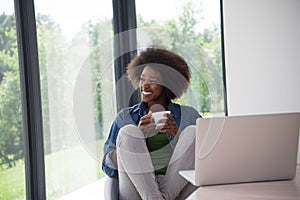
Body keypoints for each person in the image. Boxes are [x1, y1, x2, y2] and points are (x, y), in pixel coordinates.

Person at [102, 46, 201, 200]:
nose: (145, 85)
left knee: (193, 132)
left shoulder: (189, 116)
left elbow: (207, 162)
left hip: (177, 191)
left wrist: (177, 135)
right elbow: (108, 167)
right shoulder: (124, 117)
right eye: (142, 79)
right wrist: (137, 138)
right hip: (135, 192)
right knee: (129, 132)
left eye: (153, 80)